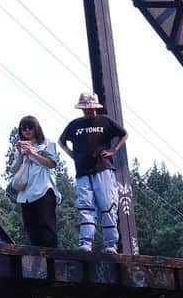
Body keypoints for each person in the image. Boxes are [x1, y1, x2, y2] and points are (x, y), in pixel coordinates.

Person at [58, 92, 127, 253]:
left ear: (95, 107)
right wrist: (72, 155)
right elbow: (61, 141)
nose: (88, 110)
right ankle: (85, 242)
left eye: (90, 107)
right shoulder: (74, 125)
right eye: (85, 108)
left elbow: (124, 134)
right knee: (85, 206)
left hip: (103, 168)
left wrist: (113, 150)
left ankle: (111, 244)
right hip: (82, 171)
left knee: (108, 205)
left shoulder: (105, 121)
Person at [8, 114, 60, 247]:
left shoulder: (47, 143)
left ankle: (51, 258)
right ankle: (38, 259)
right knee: (31, 227)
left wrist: (32, 153)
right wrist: (20, 154)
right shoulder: (20, 148)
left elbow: (52, 164)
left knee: (46, 227)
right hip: (26, 193)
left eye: (30, 127)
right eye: (23, 128)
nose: (27, 131)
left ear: (36, 128)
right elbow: (13, 170)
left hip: (44, 189)